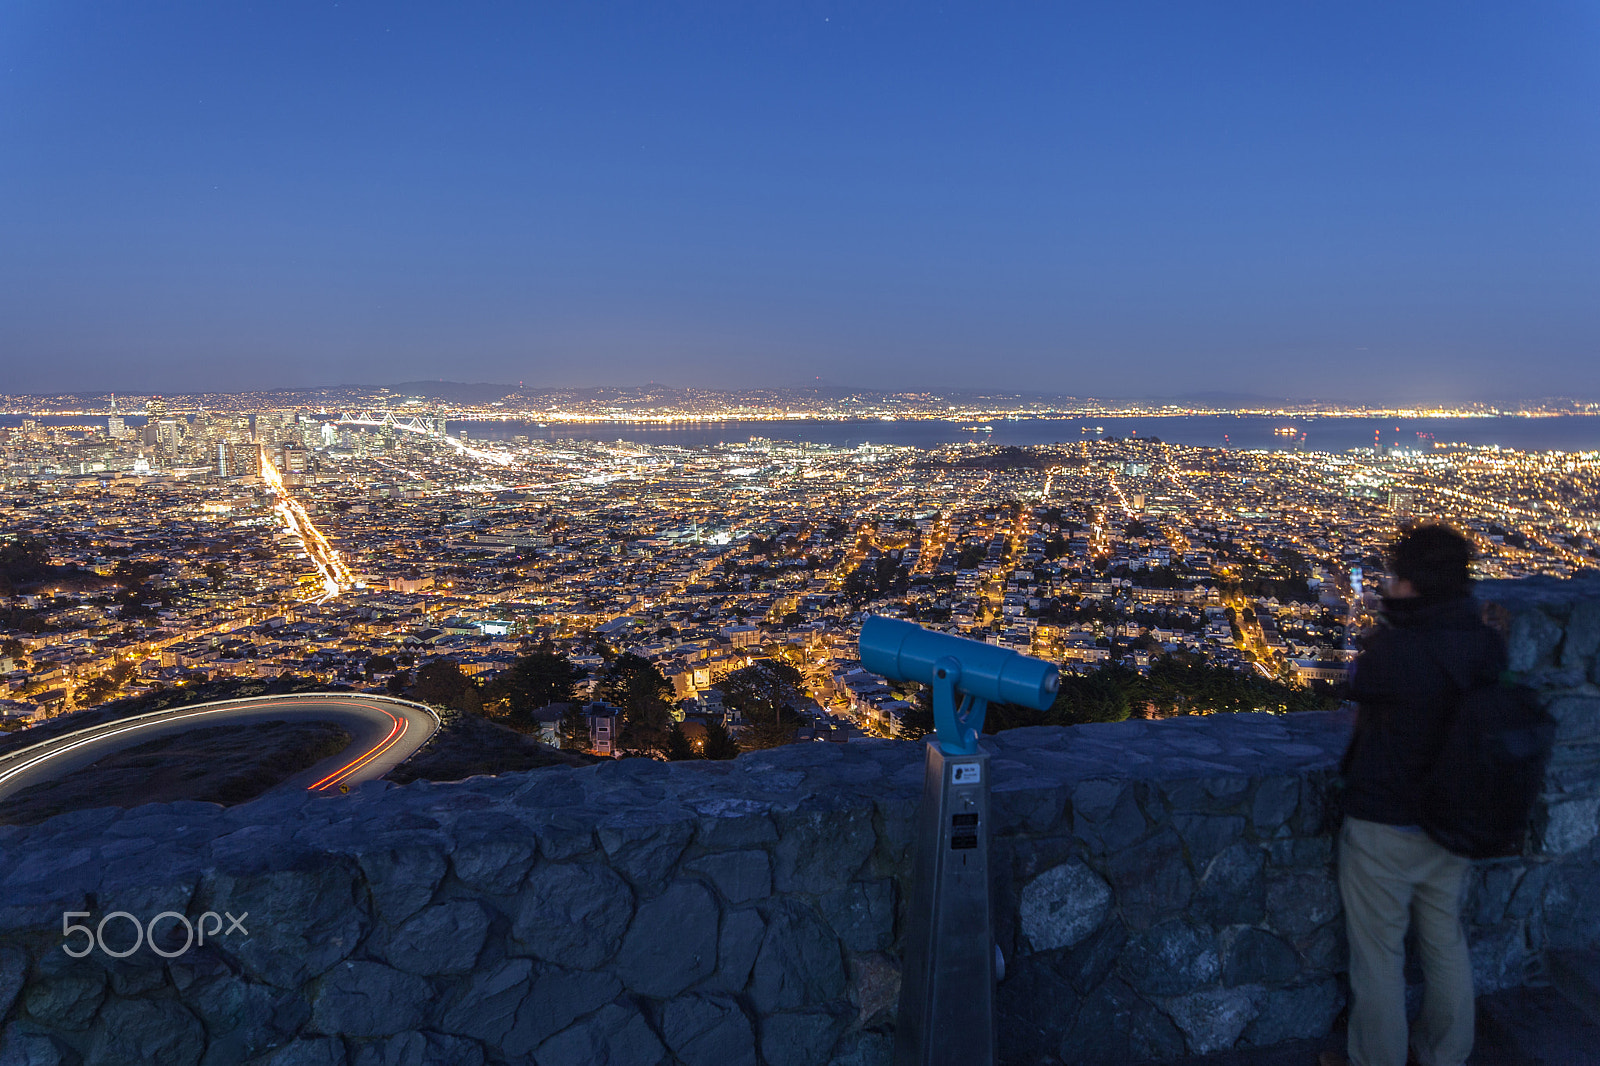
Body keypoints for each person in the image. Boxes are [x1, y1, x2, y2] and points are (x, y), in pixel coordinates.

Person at [1323, 524, 1506, 1066]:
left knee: (1378, 957)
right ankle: (1445, 1053)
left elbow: (1356, 718)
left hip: (1385, 819)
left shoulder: (1393, 648)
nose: (1390, 586)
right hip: (1453, 819)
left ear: (1415, 584)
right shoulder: (1485, 642)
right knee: (1444, 941)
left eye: (1398, 576)